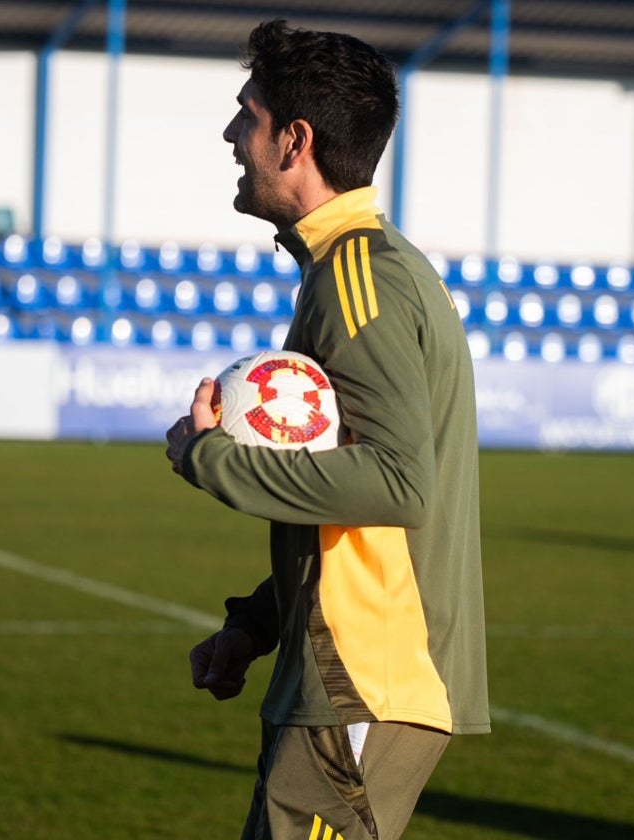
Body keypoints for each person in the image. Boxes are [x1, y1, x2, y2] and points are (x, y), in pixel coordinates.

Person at [165, 19, 489, 840]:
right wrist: (258, 624)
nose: (232, 134)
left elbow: (397, 485)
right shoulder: (364, 269)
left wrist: (214, 460)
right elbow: (357, 527)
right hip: (352, 678)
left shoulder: (356, 277)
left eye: (249, 115)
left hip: (364, 682)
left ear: (294, 141)